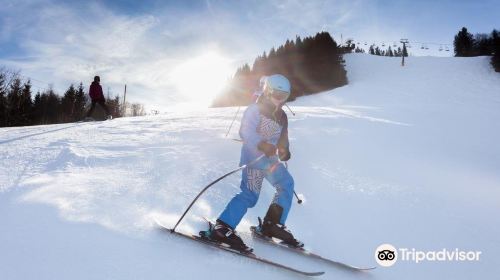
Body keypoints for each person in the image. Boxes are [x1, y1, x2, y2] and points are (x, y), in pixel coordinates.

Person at [209, 74, 302, 252]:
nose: (279, 99)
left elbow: (283, 138)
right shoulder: (255, 109)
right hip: (254, 159)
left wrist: (284, 150)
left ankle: (272, 224)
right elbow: (245, 131)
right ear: (267, 91)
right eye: (276, 94)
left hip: (271, 161)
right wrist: (262, 143)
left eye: (284, 96)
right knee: (250, 194)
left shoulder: (282, 116)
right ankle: (222, 228)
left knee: (286, 184)